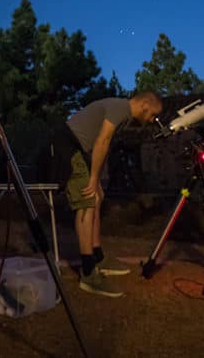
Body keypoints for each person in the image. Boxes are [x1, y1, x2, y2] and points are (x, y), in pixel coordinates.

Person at [53, 91, 163, 297]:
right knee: (86, 202)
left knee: (97, 198)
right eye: (152, 115)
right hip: (66, 146)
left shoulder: (123, 114)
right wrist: (93, 179)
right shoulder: (120, 108)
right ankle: (88, 273)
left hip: (79, 150)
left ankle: (98, 257)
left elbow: (102, 147)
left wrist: (97, 180)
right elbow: (101, 142)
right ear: (145, 104)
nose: (150, 121)